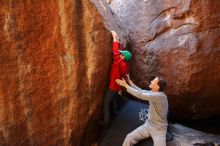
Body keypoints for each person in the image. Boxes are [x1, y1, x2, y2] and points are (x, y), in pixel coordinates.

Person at [116, 75, 168, 146]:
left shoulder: (160, 96)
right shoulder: (154, 92)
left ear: (157, 87)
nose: (151, 81)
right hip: (149, 124)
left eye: (154, 81)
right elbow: (141, 91)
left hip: (159, 129)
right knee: (129, 137)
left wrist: (125, 85)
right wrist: (130, 82)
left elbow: (140, 95)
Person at [101, 31, 132, 127]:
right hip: (118, 86)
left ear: (122, 57)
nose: (120, 53)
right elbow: (124, 75)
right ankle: (116, 114)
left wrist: (115, 37)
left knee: (106, 102)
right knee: (114, 100)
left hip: (113, 85)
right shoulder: (126, 64)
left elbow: (115, 50)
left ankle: (106, 122)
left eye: (121, 54)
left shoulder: (118, 61)